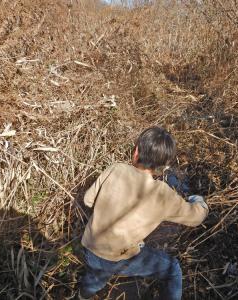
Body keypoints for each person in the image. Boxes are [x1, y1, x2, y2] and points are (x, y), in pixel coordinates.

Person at [78, 126, 208, 299]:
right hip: (119, 259)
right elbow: (196, 217)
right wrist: (199, 201)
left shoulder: (116, 169)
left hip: (90, 248)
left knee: (96, 277)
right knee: (173, 270)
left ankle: (81, 295)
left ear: (136, 151)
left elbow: (88, 200)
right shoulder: (162, 193)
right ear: (164, 166)